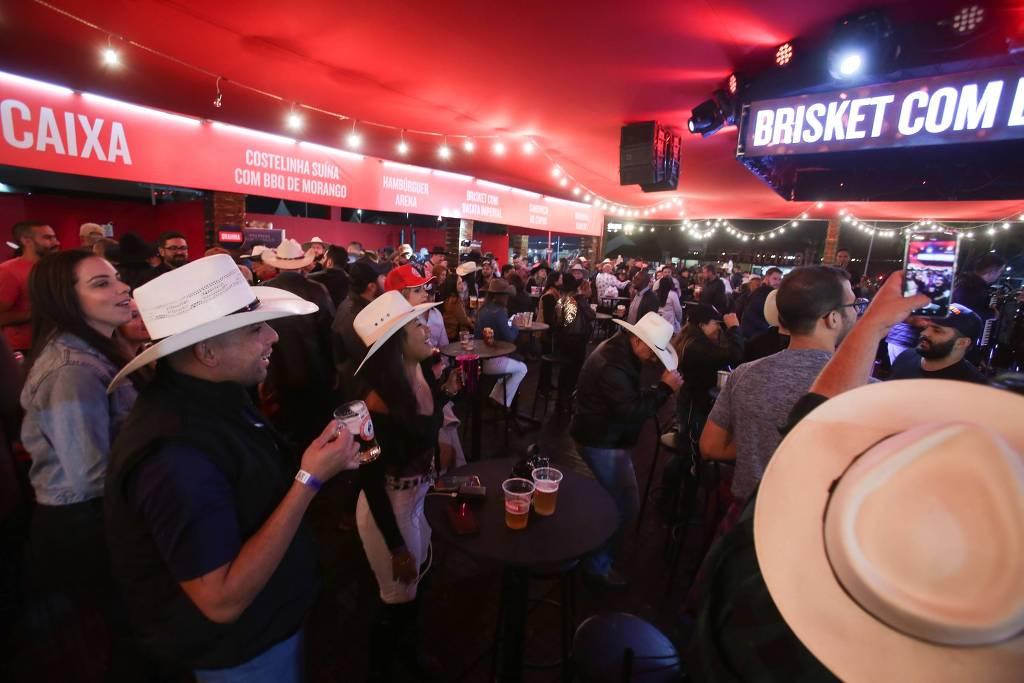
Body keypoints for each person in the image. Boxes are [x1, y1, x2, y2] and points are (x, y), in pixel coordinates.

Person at [688, 275, 1024, 683]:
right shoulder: (869, 395)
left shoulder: (742, 569)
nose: (857, 312)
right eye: (852, 306)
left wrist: (766, 453)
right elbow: (813, 424)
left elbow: (752, 440)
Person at [104, 255, 362, 681]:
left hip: (264, 631)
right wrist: (309, 478)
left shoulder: (215, 398)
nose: (273, 337)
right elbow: (220, 599)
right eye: (254, 328)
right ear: (206, 351)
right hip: (237, 653)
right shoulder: (175, 454)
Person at [19, 250, 139, 678]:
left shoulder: (98, 348)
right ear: (63, 299)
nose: (123, 288)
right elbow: (91, 476)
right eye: (101, 283)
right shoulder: (70, 368)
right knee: (110, 641)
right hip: (82, 522)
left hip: (97, 515)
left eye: (117, 277)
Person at [352, 292, 463, 680]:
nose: (426, 327)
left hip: (419, 496)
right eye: (416, 324)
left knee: (414, 589)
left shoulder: (423, 376)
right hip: (390, 505)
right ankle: (384, 669)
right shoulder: (377, 402)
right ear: (397, 339)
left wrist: (448, 390)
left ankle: (409, 655)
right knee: (396, 598)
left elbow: (424, 429)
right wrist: (395, 544)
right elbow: (367, 478)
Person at [700, 266, 859, 520]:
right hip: (814, 529)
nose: (857, 311)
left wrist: (759, 444)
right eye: (852, 305)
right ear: (832, 318)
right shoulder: (862, 389)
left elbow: (710, 446)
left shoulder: (744, 374)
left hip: (746, 522)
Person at [570, 312, 683, 587]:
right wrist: (664, 390)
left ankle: (586, 551)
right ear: (637, 340)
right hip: (601, 440)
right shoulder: (614, 365)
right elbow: (631, 412)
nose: (654, 358)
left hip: (599, 434)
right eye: (653, 352)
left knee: (611, 500)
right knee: (624, 503)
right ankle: (596, 565)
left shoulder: (619, 351)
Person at [259, 240, 337, 445]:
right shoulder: (317, 290)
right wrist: (333, 371)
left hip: (275, 374)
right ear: (302, 263)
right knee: (315, 431)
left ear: (277, 264)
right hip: (314, 372)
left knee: (285, 433)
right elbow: (330, 334)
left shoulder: (264, 290)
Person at [0, 221, 59, 352]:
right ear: (27, 241)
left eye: (54, 237)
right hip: (25, 350)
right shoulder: (9, 271)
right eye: (47, 238)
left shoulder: (56, 268)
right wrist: (33, 314)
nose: (56, 243)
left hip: (57, 345)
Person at [332, 259, 387, 401]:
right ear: (371, 287)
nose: (385, 281)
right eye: (382, 277)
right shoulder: (356, 317)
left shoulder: (355, 305)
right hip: (363, 395)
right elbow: (369, 364)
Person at [889, 304, 987, 383]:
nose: (924, 333)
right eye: (927, 327)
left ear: (962, 343)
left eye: (937, 331)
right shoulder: (905, 357)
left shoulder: (972, 386)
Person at [474, 279, 529, 408]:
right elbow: (510, 337)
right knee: (522, 368)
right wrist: (515, 326)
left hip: (482, 360)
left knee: (516, 365)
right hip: (495, 360)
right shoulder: (499, 312)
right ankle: (502, 402)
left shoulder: (482, 310)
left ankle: (495, 397)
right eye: (506, 295)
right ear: (500, 296)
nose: (508, 298)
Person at [553, 273, 596, 412]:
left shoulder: (563, 298)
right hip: (576, 341)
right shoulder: (578, 299)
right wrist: (584, 299)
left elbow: (560, 321)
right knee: (573, 372)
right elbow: (591, 315)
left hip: (563, 340)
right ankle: (567, 403)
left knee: (565, 372)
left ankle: (561, 401)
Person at [386, 263, 448, 349]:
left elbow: (444, 346)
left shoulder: (435, 313)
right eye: (417, 290)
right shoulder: (397, 330)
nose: (425, 294)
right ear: (400, 297)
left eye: (424, 288)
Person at [952, 252, 1007, 322]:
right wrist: (993, 314)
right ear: (992, 271)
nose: (1000, 274)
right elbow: (967, 312)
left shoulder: (967, 280)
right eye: (1000, 271)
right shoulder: (974, 287)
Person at [740, 267, 782, 339]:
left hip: (755, 333)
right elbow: (752, 314)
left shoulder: (767, 292)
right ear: (767, 278)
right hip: (754, 335)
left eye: (779, 279)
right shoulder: (763, 292)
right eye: (774, 279)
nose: (778, 282)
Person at [439, 274, 473, 341]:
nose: (462, 285)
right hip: (454, 336)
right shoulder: (455, 301)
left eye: (462, 282)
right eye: (459, 283)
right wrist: (475, 323)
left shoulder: (448, 297)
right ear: (453, 285)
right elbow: (464, 320)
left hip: (449, 333)